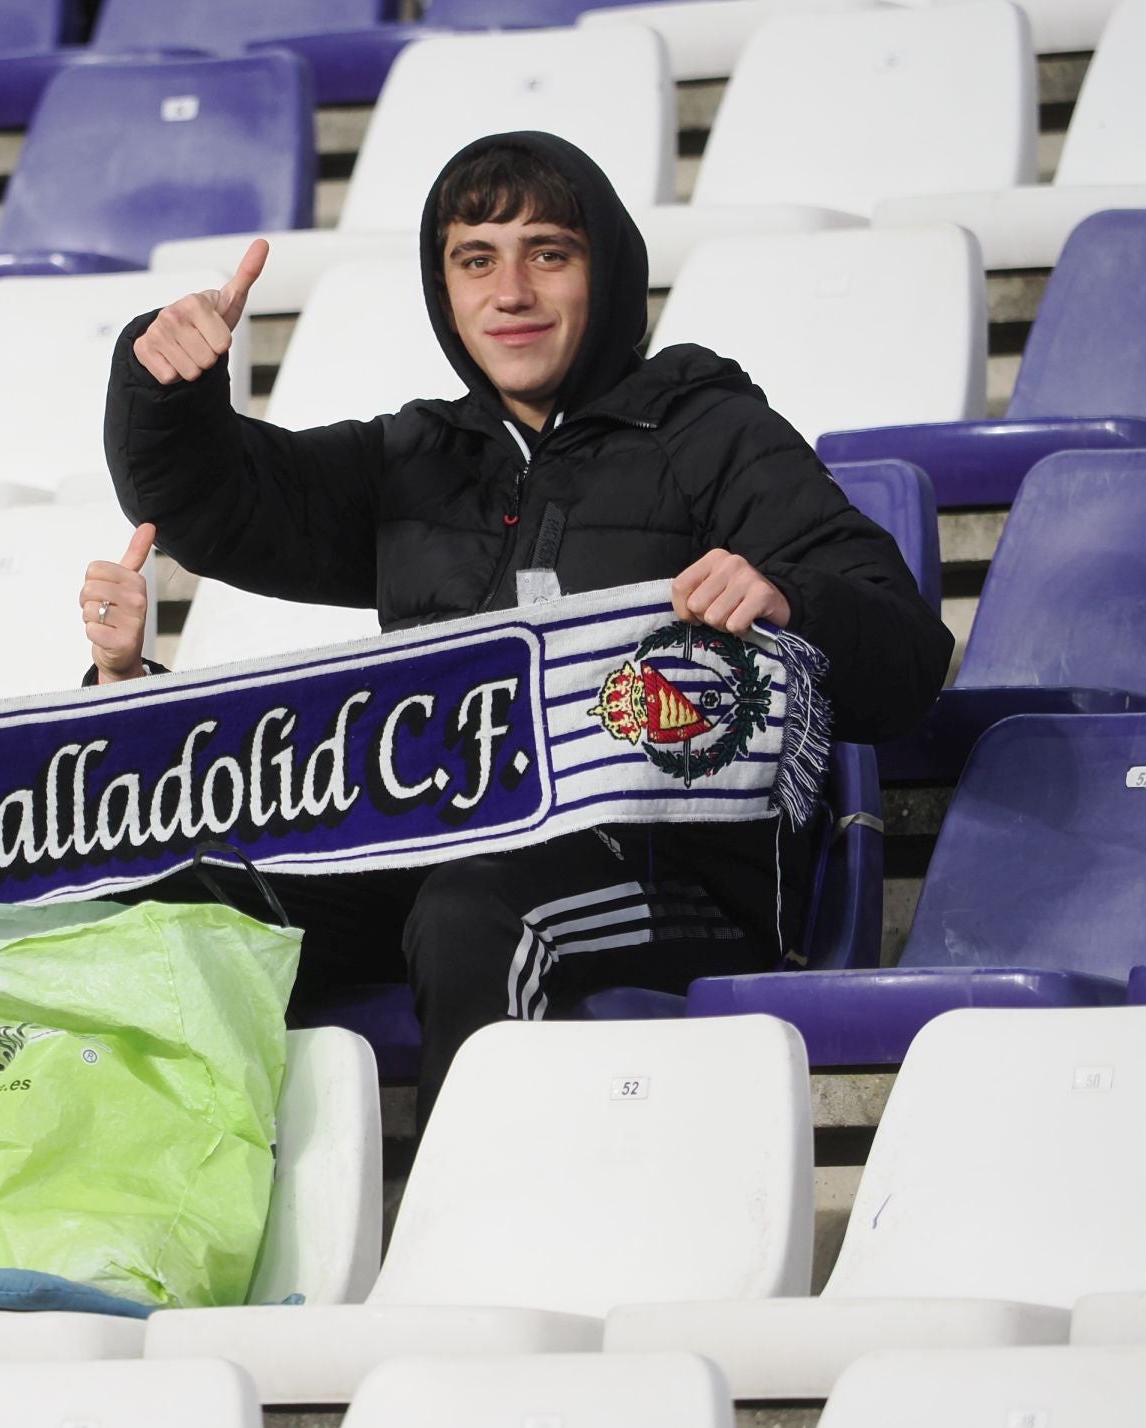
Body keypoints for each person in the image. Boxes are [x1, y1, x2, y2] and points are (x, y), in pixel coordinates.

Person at [92, 131, 952, 1116]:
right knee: (188, 900)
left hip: (675, 876)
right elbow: (213, 501)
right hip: (442, 852)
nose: (511, 292)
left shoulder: (709, 432)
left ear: (607, 271)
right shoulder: (416, 456)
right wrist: (167, 385)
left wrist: (787, 596)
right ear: (445, 289)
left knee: (477, 914)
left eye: (549, 253)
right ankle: (181, 1230)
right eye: (475, 260)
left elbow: (907, 655)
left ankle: (478, 1247)